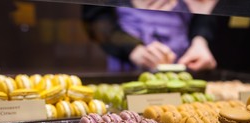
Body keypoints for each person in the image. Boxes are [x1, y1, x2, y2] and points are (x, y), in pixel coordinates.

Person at [82, 1, 218, 72]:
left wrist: (200, 40)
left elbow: (203, 13)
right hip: (127, 65)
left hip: (185, 62)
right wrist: (132, 49)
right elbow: (96, 20)